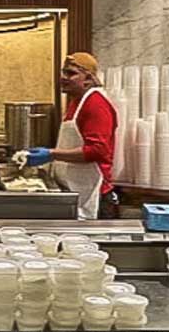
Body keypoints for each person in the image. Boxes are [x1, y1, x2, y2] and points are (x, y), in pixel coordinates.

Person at [24, 52, 118, 219]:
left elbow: (98, 151)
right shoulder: (77, 102)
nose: (63, 77)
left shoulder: (95, 104)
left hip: (94, 196)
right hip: (74, 191)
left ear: (88, 79)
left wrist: (52, 154)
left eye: (71, 73)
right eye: (63, 72)